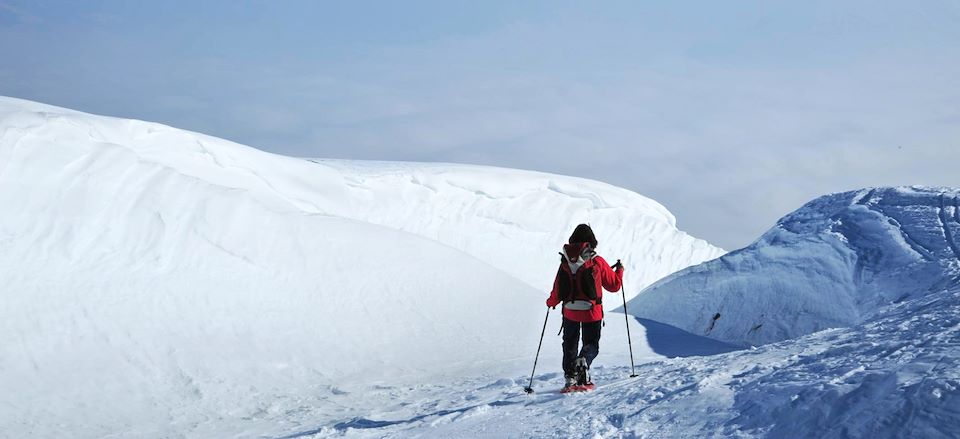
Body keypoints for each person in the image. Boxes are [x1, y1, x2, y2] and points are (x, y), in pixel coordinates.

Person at [545, 224, 623, 388]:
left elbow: (558, 289)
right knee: (591, 343)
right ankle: (584, 360)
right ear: (591, 242)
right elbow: (614, 286)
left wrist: (551, 302)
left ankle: (570, 375)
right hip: (592, 311)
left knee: (569, 343)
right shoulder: (597, 261)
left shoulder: (565, 262)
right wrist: (620, 271)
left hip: (569, 311)